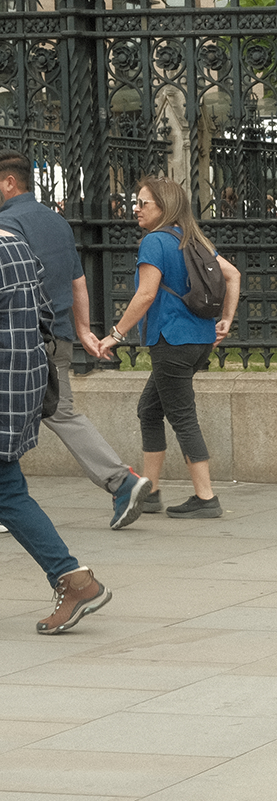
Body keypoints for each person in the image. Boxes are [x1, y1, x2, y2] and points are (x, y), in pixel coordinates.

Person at [0, 150, 152, 529]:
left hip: (17, 341)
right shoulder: (57, 222)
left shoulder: (6, 226)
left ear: (8, 183)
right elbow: (77, 281)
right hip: (57, 339)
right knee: (60, 412)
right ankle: (121, 481)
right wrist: (82, 330)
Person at [94, 176, 241, 520]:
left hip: (171, 340)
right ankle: (151, 492)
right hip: (199, 339)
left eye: (143, 203)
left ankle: (206, 497)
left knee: (183, 417)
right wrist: (226, 320)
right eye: (137, 202)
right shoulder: (193, 240)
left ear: (164, 207)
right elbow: (232, 274)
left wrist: (116, 334)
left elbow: (146, 294)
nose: (136, 209)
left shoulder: (155, 241)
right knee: (149, 409)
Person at [0, 224, 111, 634]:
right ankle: (72, 578)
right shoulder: (15, 244)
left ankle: (73, 578)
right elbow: (46, 311)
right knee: (7, 489)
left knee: (7, 491)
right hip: (21, 383)